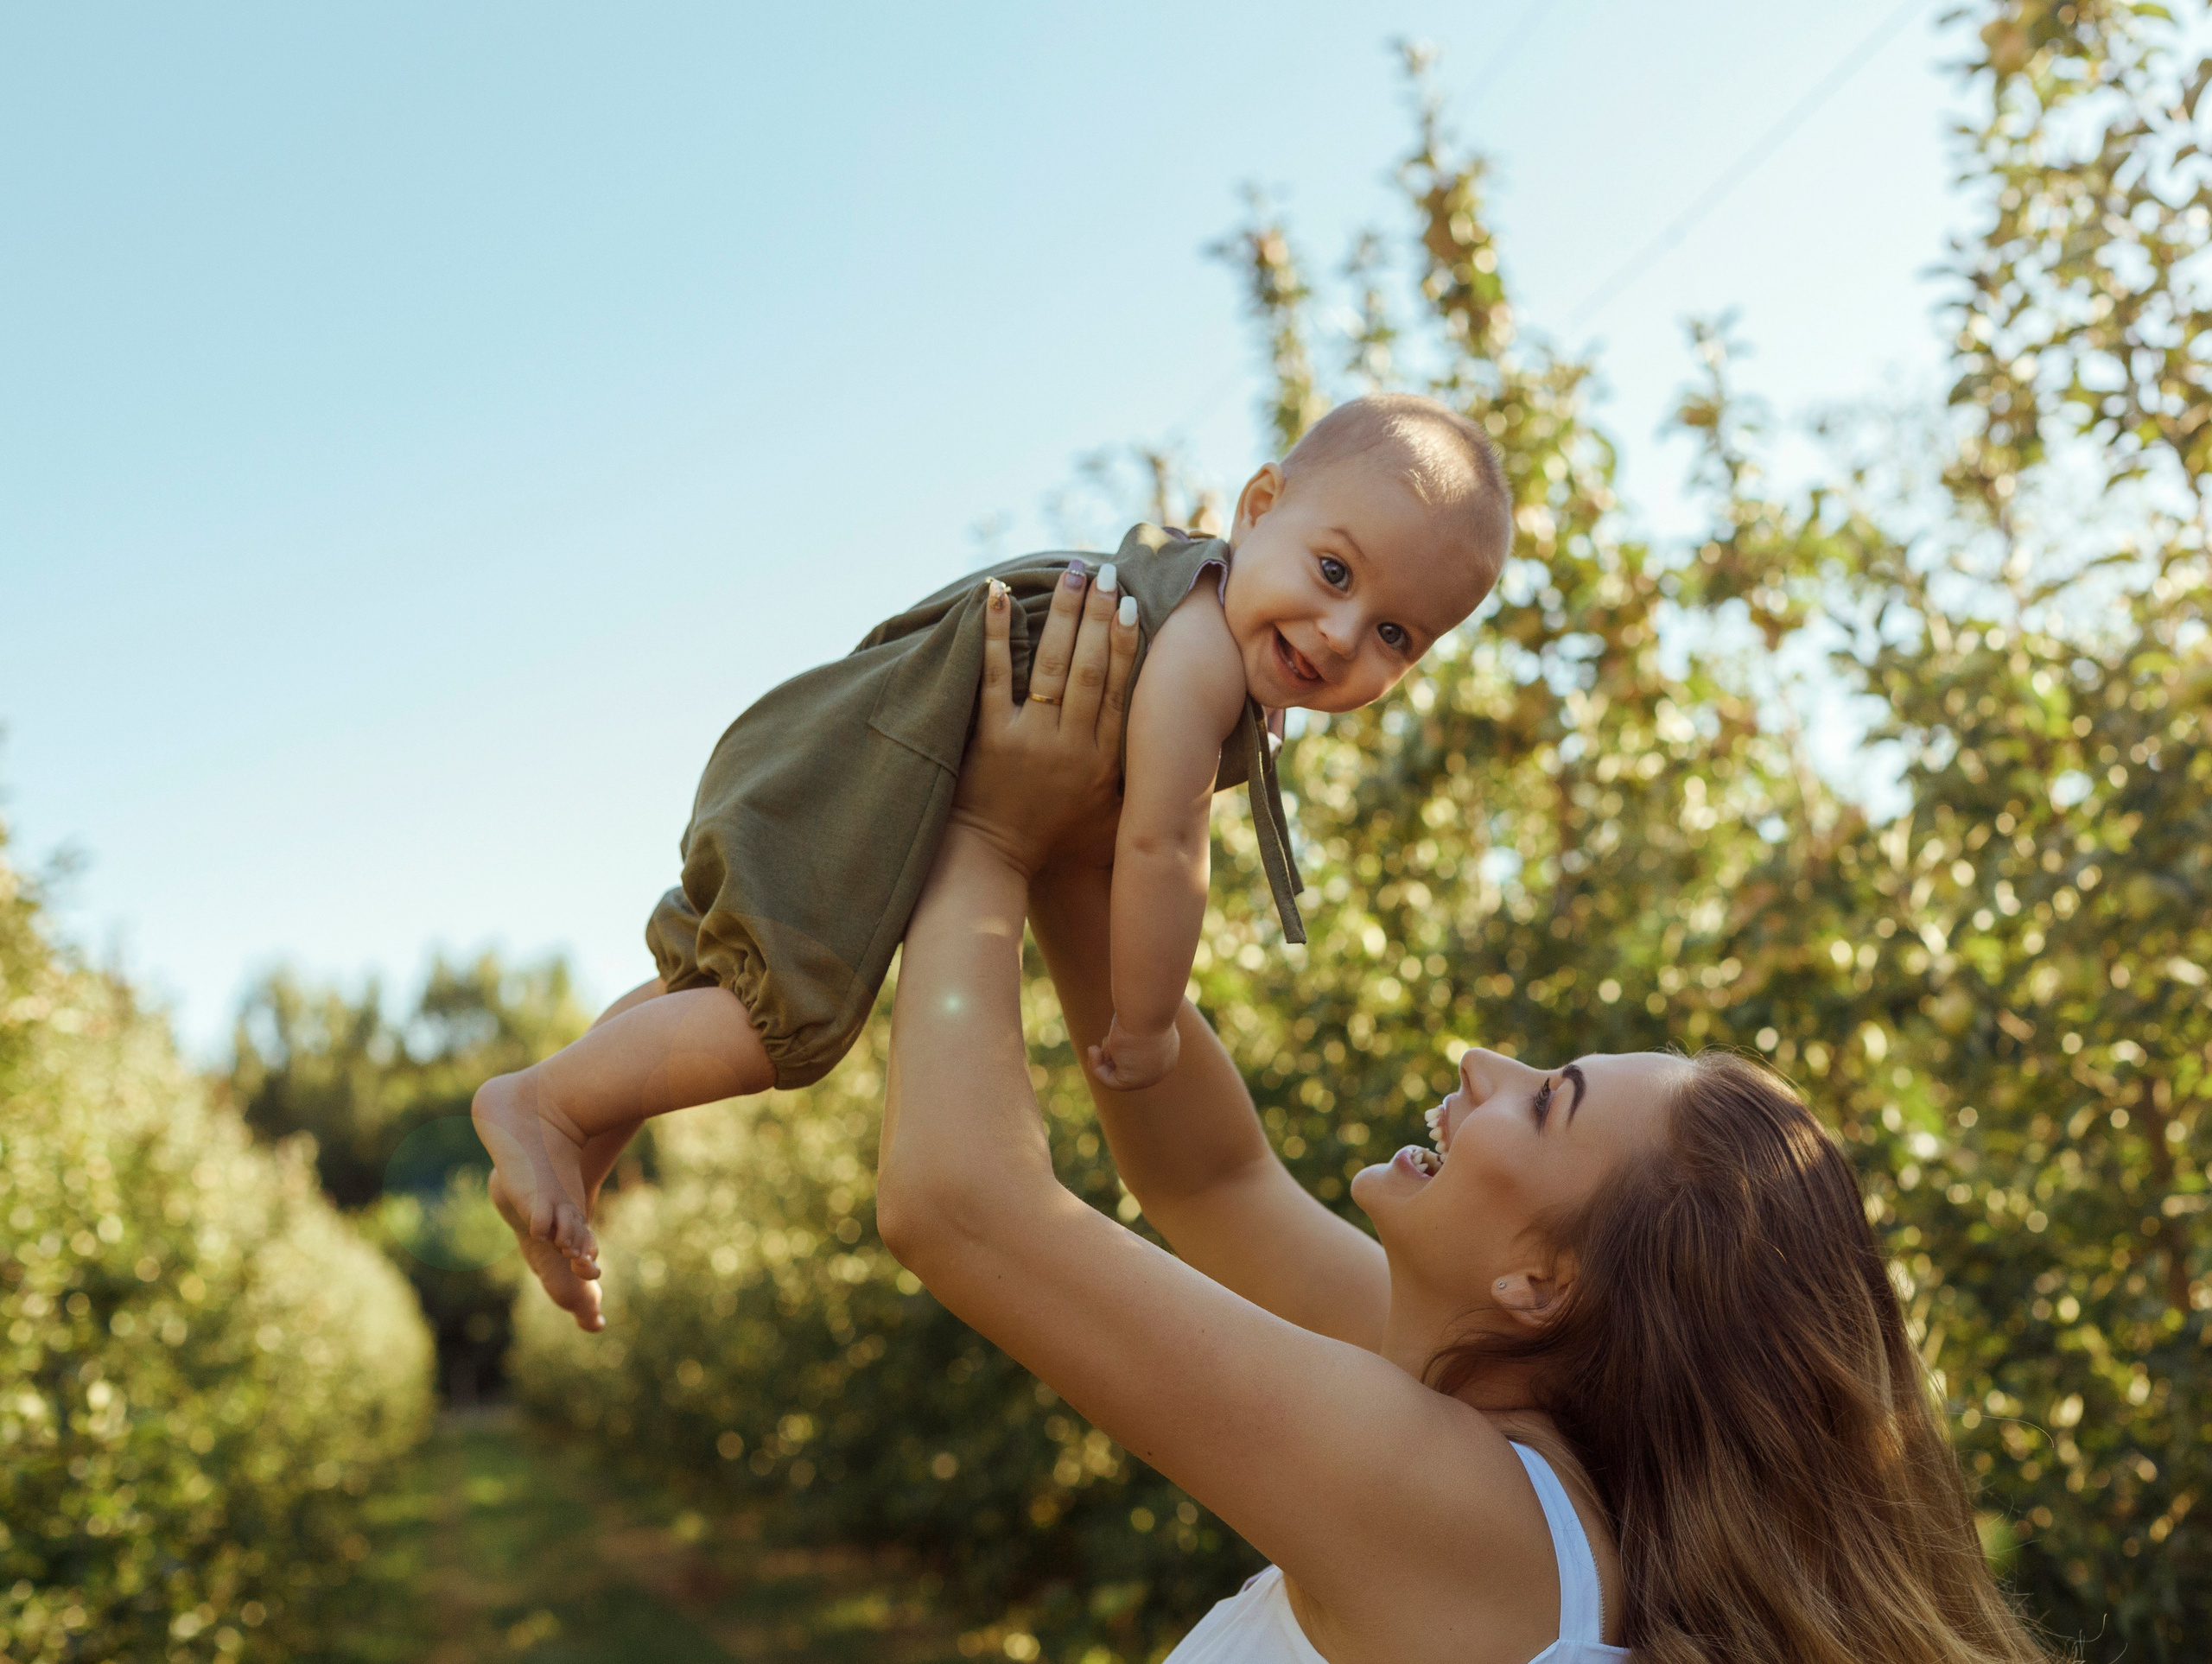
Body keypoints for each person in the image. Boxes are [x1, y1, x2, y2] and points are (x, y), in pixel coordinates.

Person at [874, 575, 2053, 1662]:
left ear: (1542, 1283)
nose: (1484, 1061)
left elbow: (962, 1206)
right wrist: (1087, 848)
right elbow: (1215, 1184)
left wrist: (984, 832)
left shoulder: (1450, 1496)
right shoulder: (1510, 1446)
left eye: (1548, 1101)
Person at [477, 393, 1510, 1295]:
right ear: (1257, 507)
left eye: (1394, 636)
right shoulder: (1197, 657)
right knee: (780, 1027)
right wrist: (1143, 1024)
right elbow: (1157, 848)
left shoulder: (1206, 630)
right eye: (1333, 572)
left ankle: (576, 1130)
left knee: (722, 985)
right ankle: (541, 1104)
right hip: (873, 765)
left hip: (829, 751)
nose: (1340, 633)